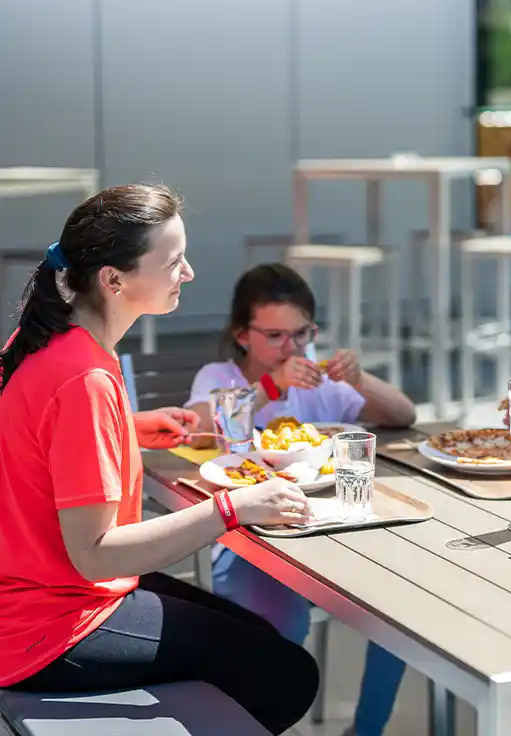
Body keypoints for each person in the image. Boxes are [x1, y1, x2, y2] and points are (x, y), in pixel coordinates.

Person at [0, 185, 319, 735]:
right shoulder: (86, 378)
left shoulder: (43, 340)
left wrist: (126, 429)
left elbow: (32, 443)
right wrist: (232, 508)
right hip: (47, 628)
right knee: (286, 676)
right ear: (113, 280)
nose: (188, 273)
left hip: (33, 601)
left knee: (266, 645)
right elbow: (95, 555)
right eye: (173, 262)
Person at [185, 263, 416, 736]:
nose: (291, 349)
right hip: (250, 544)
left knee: (402, 609)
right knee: (280, 627)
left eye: (302, 334)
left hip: (336, 531)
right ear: (242, 335)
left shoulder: (321, 383)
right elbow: (199, 427)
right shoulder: (220, 376)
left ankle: (366, 731)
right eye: (275, 336)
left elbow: (404, 415)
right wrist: (272, 386)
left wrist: (360, 380)